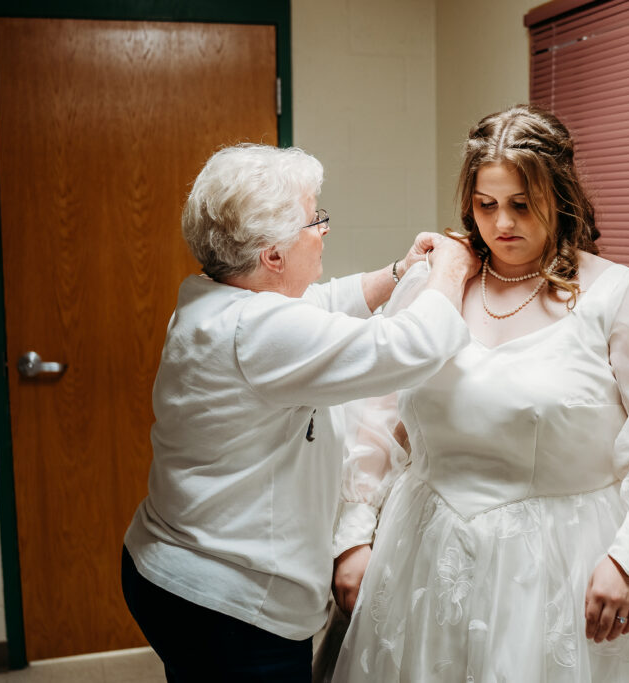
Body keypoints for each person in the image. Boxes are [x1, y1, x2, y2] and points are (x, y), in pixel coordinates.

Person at [327, 106, 629, 681]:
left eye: (521, 204)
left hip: (561, 561)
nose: (502, 224)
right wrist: (353, 533)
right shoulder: (432, 285)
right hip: (426, 549)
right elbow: (382, 414)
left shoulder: (624, 298)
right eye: (486, 205)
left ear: (559, 197)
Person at [121, 143, 479, 682]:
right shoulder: (259, 332)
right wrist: (451, 268)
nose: (324, 230)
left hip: (165, 565)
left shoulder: (213, 295)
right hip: (228, 604)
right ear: (273, 256)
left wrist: (399, 270)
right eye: (316, 219)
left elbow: (319, 305)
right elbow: (412, 347)